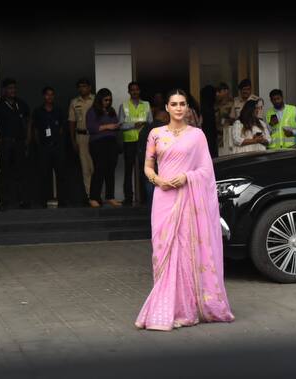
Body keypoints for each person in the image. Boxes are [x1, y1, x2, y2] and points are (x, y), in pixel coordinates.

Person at [135, 88, 235, 331]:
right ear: (166, 108)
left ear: (187, 108)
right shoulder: (155, 134)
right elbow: (148, 166)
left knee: (187, 251)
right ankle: (167, 304)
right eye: (174, 104)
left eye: (183, 104)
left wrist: (186, 177)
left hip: (188, 198)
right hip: (163, 197)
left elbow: (206, 170)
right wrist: (157, 180)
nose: (179, 108)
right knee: (163, 252)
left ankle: (187, 308)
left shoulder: (197, 135)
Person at [0, 78, 30, 211]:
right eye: (9, 88)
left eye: (14, 88)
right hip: (5, 143)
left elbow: (29, 119)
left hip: (19, 143)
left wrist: (28, 139)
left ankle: (23, 201)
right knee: (5, 173)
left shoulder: (21, 103)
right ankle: (5, 203)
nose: (12, 90)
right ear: (3, 90)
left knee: (21, 172)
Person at [30, 86, 68, 207]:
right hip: (44, 147)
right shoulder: (37, 111)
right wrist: (39, 145)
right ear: (43, 96)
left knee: (60, 174)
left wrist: (59, 142)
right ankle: (43, 201)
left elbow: (62, 128)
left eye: (52, 94)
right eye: (47, 94)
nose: (50, 97)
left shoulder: (59, 110)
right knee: (44, 175)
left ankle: (62, 201)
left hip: (57, 147)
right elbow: (35, 129)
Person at [86, 88, 122, 208]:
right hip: (98, 143)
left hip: (111, 143)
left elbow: (116, 126)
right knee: (99, 169)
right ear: (99, 99)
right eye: (106, 100)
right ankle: (93, 198)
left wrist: (116, 127)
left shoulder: (111, 111)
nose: (108, 102)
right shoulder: (92, 111)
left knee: (110, 170)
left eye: (110, 100)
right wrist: (108, 126)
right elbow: (91, 128)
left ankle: (110, 197)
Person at [118, 82, 153, 206]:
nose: (135, 92)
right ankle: (128, 198)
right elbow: (121, 125)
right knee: (129, 171)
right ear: (129, 91)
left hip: (144, 142)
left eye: (137, 90)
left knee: (145, 169)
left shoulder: (147, 105)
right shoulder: (124, 106)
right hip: (130, 141)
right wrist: (134, 125)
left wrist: (144, 125)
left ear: (140, 91)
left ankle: (145, 198)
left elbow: (151, 122)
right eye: (132, 90)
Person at [68, 78, 95, 199]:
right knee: (85, 167)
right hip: (81, 136)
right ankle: (89, 195)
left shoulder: (95, 100)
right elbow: (72, 122)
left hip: (95, 136)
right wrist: (73, 140)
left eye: (84, 86)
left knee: (96, 166)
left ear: (89, 87)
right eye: (80, 86)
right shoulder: (74, 102)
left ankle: (98, 194)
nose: (82, 88)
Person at [137, 110, 169, 208]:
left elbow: (140, 146)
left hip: (147, 161)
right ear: (165, 118)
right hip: (161, 161)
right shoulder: (165, 129)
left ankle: (151, 205)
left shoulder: (145, 128)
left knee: (149, 183)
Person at [214, 82, 234, 156]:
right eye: (217, 92)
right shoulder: (215, 104)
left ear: (226, 91)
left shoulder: (232, 103)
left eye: (219, 91)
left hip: (228, 135)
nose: (217, 94)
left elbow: (234, 119)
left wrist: (227, 118)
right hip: (218, 135)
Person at [200, 85, 218, 158]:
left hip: (207, 137)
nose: (216, 95)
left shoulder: (204, 107)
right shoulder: (208, 109)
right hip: (208, 138)